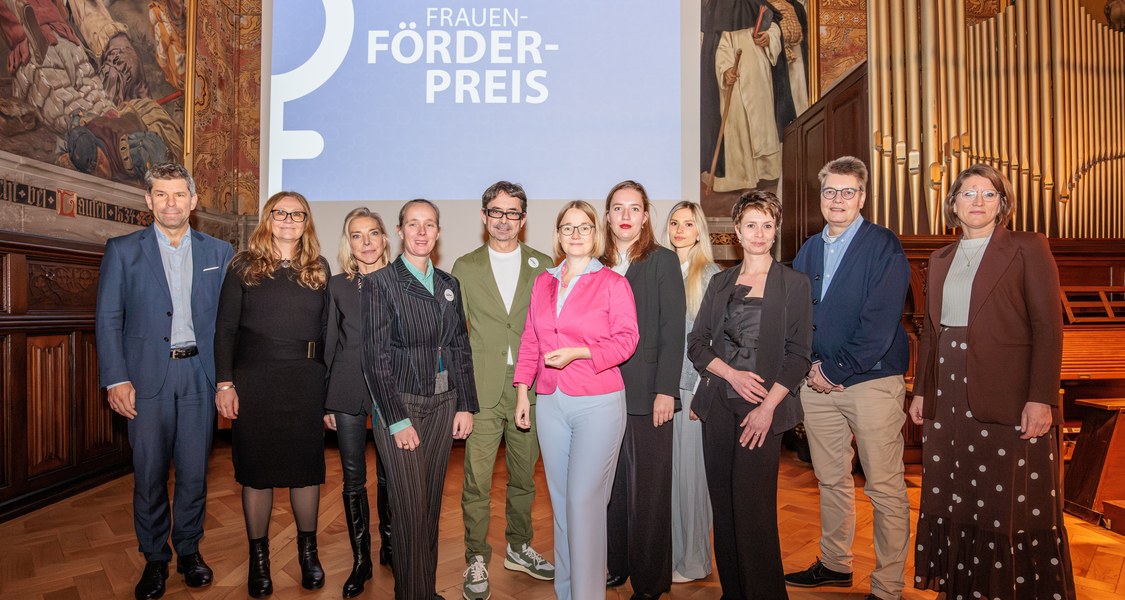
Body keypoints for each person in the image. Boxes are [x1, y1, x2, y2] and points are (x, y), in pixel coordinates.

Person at [908, 164, 1077, 598]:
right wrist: (921, 390)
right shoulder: (941, 257)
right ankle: (963, 587)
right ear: (953, 205)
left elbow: (1047, 326)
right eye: (968, 193)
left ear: (1002, 204)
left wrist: (1041, 398)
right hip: (947, 393)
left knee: (1005, 502)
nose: (978, 201)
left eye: (988, 194)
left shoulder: (1026, 247)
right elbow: (931, 331)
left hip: (1006, 395)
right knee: (953, 494)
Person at [95, 162, 233, 600]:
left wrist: (227, 381)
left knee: (194, 472)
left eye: (179, 195)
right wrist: (115, 378)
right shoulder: (122, 250)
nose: (170, 203)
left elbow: (229, 324)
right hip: (145, 378)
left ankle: (189, 549)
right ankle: (155, 557)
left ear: (194, 202)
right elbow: (108, 318)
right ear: (148, 200)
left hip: (200, 375)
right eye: (161, 194)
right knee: (150, 472)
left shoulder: (219, 253)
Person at [785, 156, 912, 600]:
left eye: (847, 192)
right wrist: (807, 368)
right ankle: (837, 564)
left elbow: (880, 321)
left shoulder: (883, 245)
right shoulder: (809, 248)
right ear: (820, 197)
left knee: (883, 486)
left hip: (871, 382)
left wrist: (834, 370)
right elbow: (795, 313)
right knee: (830, 478)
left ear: (862, 197)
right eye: (829, 192)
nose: (837, 200)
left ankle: (888, 586)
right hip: (817, 384)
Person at [688, 190, 812, 599]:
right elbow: (698, 344)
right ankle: (733, 592)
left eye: (767, 225)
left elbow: (798, 356)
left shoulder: (793, 283)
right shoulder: (721, 281)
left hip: (765, 409)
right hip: (719, 405)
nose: (759, 233)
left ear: (775, 232)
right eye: (751, 225)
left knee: (754, 511)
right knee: (723, 508)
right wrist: (732, 376)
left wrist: (766, 407)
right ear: (737, 231)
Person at [514, 201, 639, 600]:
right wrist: (522, 391)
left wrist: (579, 352)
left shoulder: (613, 283)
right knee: (565, 505)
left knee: (585, 503)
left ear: (595, 234)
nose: (575, 234)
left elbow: (627, 340)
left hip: (598, 403)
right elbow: (531, 339)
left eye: (584, 227)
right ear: (558, 235)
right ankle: (566, 593)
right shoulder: (543, 283)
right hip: (550, 401)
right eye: (567, 228)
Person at [214, 191, 331, 597]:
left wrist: (329, 392)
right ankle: (259, 559)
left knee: (305, 469)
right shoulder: (243, 267)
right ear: (268, 219)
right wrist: (225, 383)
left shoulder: (318, 269)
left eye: (296, 214)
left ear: (306, 223)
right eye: (280, 213)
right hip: (254, 381)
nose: (287, 220)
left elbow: (329, 333)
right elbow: (225, 329)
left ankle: (308, 554)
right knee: (257, 472)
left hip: (305, 381)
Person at [360, 199, 478, 600]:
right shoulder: (381, 284)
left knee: (427, 511)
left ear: (439, 232)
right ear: (400, 231)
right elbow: (373, 359)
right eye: (414, 224)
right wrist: (395, 419)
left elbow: (460, 345)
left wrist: (465, 404)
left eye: (429, 225)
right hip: (402, 409)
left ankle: (422, 591)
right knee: (409, 512)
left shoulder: (449, 284)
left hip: (444, 405)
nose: (422, 232)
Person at [453, 182, 555, 600]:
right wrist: (459, 397)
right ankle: (476, 556)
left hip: (528, 391)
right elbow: (455, 338)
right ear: (483, 215)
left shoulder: (544, 264)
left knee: (524, 479)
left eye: (513, 213)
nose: (504, 220)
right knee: (476, 482)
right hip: (481, 390)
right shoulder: (464, 266)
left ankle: (519, 546)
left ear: (523, 218)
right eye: (496, 211)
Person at [603, 180, 686, 600]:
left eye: (633, 208)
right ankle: (616, 565)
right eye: (617, 208)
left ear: (645, 215)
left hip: (649, 393)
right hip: (600, 393)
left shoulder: (662, 261)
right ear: (607, 215)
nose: (625, 216)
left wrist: (666, 391)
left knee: (649, 492)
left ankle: (650, 582)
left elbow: (673, 332)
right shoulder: (594, 263)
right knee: (611, 487)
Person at [323, 208, 392, 597]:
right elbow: (330, 344)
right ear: (347, 242)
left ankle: (392, 547)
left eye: (373, 234)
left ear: (385, 238)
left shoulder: (402, 281)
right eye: (356, 235)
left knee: (389, 477)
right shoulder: (336, 286)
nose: (366, 243)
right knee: (353, 480)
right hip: (346, 391)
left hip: (390, 396)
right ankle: (361, 559)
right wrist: (325, 404)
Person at [661, 201, 720, 584]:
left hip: (693, 388)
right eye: (674, 223)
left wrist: (703, 391)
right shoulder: (662, 270)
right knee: (670, 480)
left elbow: (718, 341)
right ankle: (673, 555)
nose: (680, 229)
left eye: (688, 223)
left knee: (692, 481)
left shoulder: (711, 274)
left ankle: (695, 560)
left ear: (699, 230)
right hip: (664, 389)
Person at [704, 1, 797, 192]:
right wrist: (726, 71)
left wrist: (769, 38)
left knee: (762, 127)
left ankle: (766, 173)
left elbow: (772, 26)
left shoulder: (756, 3)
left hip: (759, 79)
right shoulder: (719, 7)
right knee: (737, 127)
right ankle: (739, 178)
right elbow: (719, 47)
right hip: (735, 82)